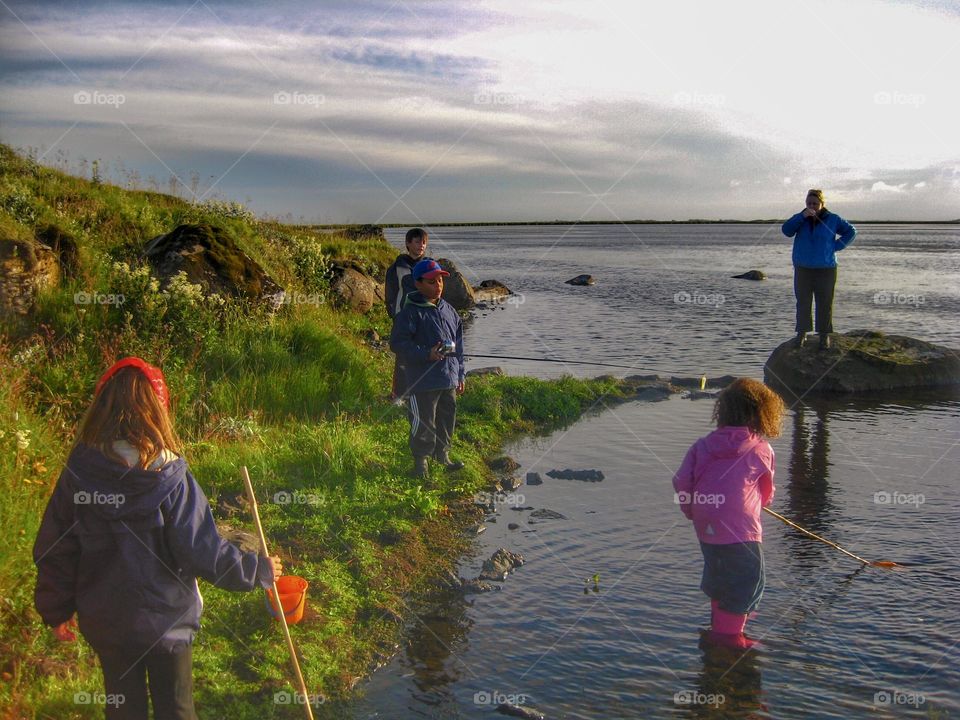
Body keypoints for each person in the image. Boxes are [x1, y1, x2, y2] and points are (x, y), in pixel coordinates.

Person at [33, 357, 282, 720]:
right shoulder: (171, 475)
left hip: (108, 623)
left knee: (123, 708)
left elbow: (57, 548)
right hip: (169, 624)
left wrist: (55, 609)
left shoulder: (79, 473)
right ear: (158, 409)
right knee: (176, 709)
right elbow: (201, 549)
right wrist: (256, 570)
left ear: (101, 406)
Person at [672, 378, 785, 650]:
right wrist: (760, 504)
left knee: (719, 570)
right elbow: (766, 493)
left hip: (705, 520)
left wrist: (691, 509)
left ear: (722, 411)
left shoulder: (702, 445)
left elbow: (681, 481)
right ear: (761, 414)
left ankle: (723, 623)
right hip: (740, 525)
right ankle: (728, 638)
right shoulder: (761, 449)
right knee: (748, 579)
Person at [389, 258, 465, 479]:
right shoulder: (410, 312)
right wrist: (426, 353)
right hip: (422, 380)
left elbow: (459, 346)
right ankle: (420, 463)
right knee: (423, 421)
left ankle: (442, 456)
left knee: (446, 418)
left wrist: (460, 374)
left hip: (448, 378)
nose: (438, 285)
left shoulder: (450, 311)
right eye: (432, 281)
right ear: (418, 284)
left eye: (440, 280)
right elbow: (398, 344)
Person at [781, 189, 857, 350]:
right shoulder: (800, 218)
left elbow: (851, 231)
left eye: (815, 203)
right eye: (809, 203)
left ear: (822, 204)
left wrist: (835, 246)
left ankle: (824, 335)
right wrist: (801, 216)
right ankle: (802, 334)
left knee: (825, 302)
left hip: (826, 268)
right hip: (803, 267)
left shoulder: (833, 219)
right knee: (803, 302)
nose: (812, 206)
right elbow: (786, 231)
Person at [385, 228, 429, 400]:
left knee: (424, 352)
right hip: (403, 316)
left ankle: (420, 392)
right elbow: (390, 294)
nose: (421, 245)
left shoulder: (430, 265)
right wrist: (395, 314)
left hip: (425, 317)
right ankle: (398, 394)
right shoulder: (397, 267)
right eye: (417, 242)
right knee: (403, 354)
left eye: (424, 242)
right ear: (408, 244)